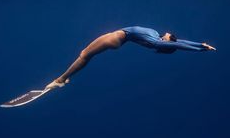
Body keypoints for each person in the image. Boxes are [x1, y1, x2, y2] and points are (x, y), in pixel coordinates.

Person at [46, 26, 216, 89]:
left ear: (167, 40)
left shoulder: (159, 43)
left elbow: (179, 44)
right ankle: (65, 78)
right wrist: (201, 45)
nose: (173, 34)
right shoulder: (158, 37)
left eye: (171, 36)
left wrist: (200, 50)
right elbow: (181, 42)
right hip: (119, 38)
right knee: (86, 55)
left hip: (117, 38)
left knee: (84, 55)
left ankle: (61, 79)